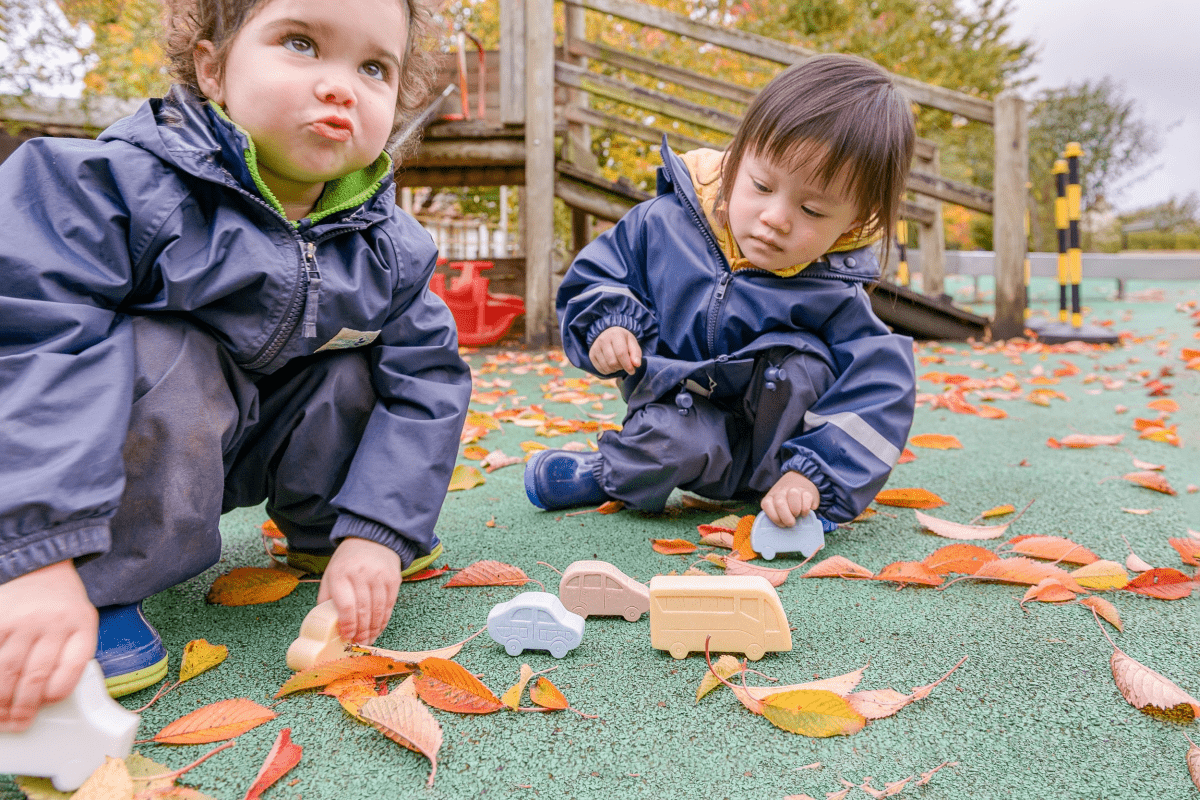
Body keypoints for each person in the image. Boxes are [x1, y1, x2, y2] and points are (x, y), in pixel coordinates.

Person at [0, 0, 471, 731]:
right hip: (149, 445)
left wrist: (380, 528)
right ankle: (95, 580)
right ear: (213, 68)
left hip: (260, 431)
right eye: (301, 43)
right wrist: (36, 552)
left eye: (373, 67)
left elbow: (428, 384)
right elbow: (35, 340)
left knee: (355, 369)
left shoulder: (390, 247)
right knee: (168, 351)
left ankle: (329, 530)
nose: (340, 84)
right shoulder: (118, 188)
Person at [524, 53, 916, 532]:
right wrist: (608, 323)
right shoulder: (664, 224)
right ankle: (610, 473)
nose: (776, 217)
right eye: (761, 185)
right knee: (665, 441)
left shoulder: (833, 288)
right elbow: (599, 275)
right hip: (685, 413)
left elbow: (881, 388)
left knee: (807, 364)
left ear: (852, 221)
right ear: (736, 158)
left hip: (786, 453)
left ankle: (793, 490)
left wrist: (814, 474)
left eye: (812, 210)